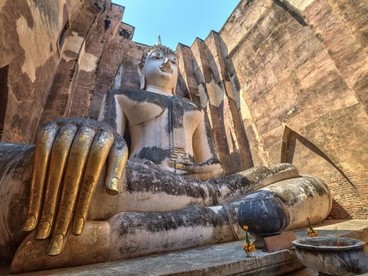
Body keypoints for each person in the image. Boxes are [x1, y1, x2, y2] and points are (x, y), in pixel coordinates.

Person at [0, 40, 332, 273]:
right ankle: (229, 218)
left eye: (171, 58)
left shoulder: (193, 109)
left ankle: (224, 212)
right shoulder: (126, 96)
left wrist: (202, 169)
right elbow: (110, 138)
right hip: (141, 178)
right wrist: (87, 130)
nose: (167, 62)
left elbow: (212, 162)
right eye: (157, 56)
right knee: (89, 175)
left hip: (204, 186)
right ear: (142, 68)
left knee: (294, 175)